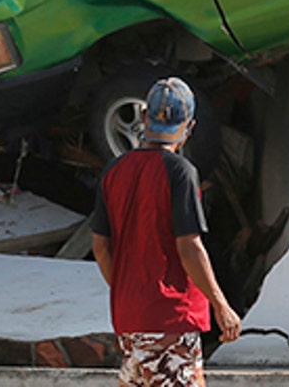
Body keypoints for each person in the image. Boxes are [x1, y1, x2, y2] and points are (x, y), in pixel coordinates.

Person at [91, 78, 242, 386]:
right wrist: (221, 305)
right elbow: (190, 247)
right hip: (170, 318)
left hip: (130, 321)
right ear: (189, 126)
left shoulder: (113, 171)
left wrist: (131, 292)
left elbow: (101, 248)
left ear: (145, 117)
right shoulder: (180, 171)